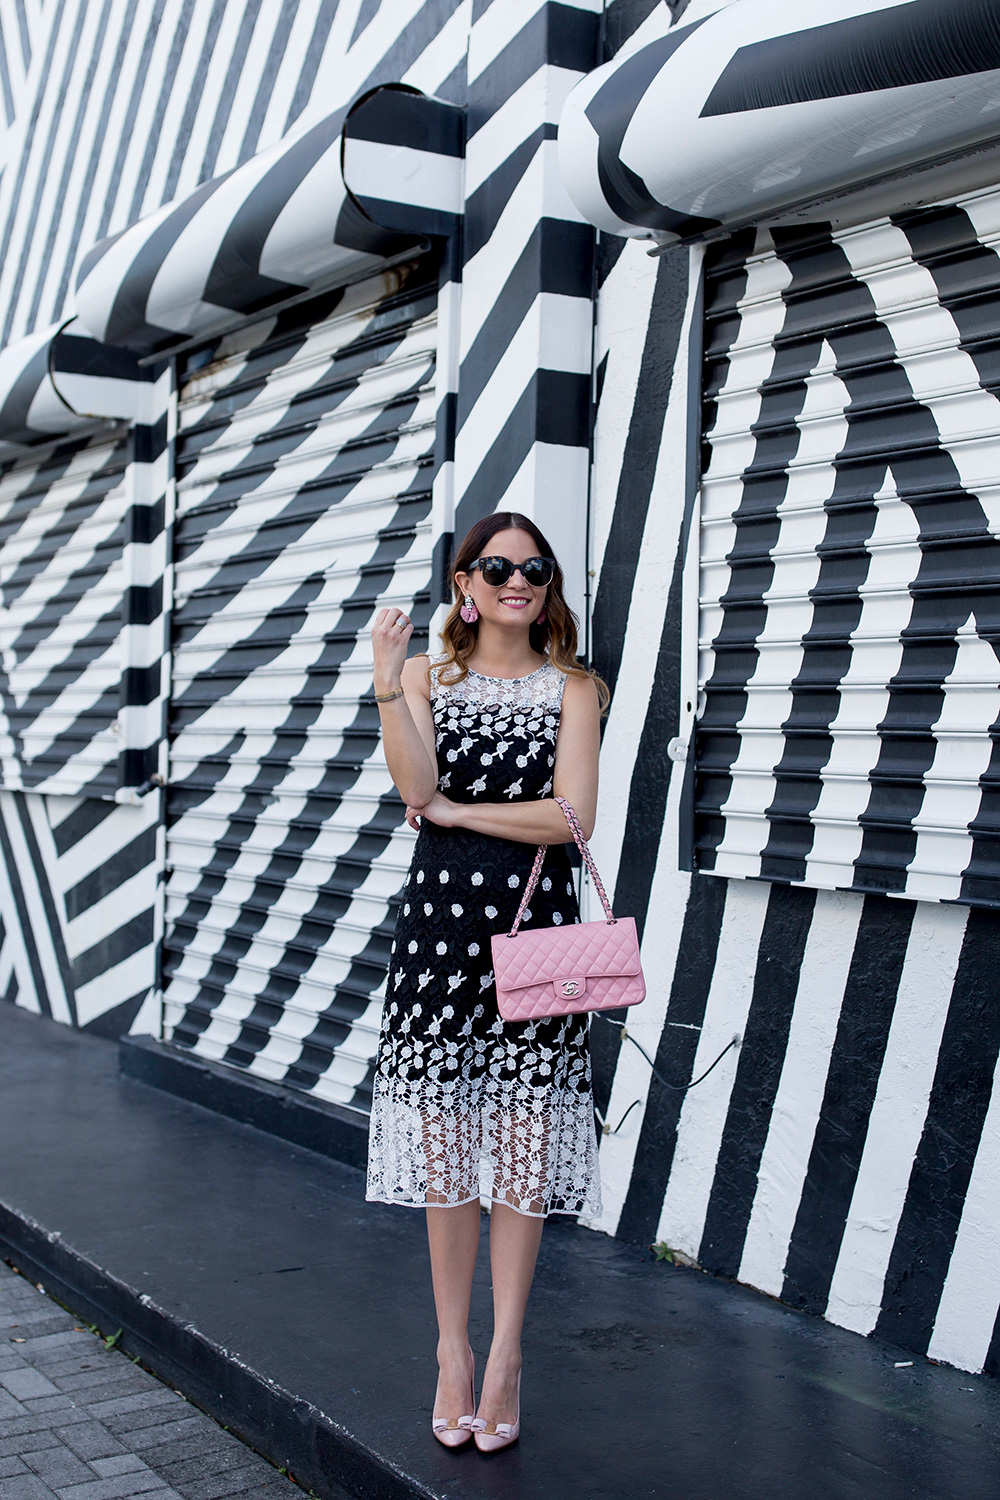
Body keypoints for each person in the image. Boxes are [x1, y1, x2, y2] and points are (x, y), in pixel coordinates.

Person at [366, 511, 607, 1453]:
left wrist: (466, 810)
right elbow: (414, 790)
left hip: (534, 937)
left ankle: (506, 1353)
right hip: (436, 942)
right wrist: (390, 684)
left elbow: (573, 817)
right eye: (497, 566)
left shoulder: (575, 688)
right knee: (445, 1158)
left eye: (535, 568)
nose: (518, 580)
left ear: (548, 587)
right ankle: (452, 1351)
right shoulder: (427, 678)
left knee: (521, 1149)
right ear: (464, 582)